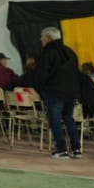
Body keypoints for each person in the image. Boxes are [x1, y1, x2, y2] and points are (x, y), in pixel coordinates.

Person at [34, 27, 82, 158]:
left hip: (54, 92)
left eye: (42, 37)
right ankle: (76, 149)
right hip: (71, 92)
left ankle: (61, 149)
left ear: (48, 38)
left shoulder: (47, 53)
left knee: (55, 121)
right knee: (69, 118)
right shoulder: (70, 52)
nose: (41, 39)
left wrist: (40, 89)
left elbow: (42, 74)